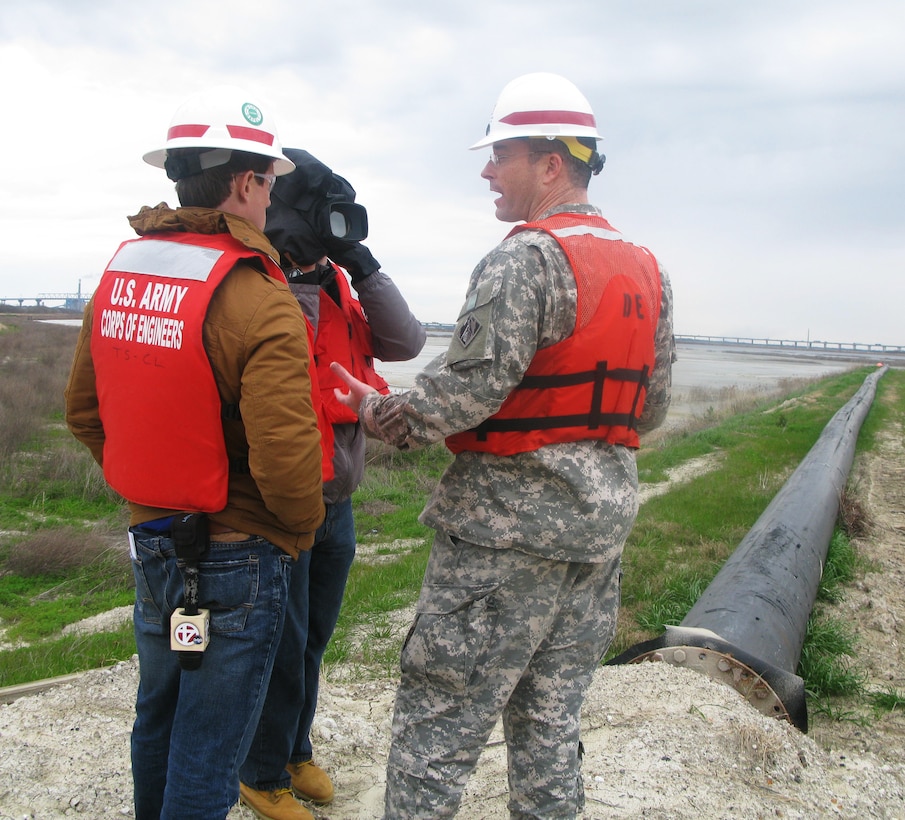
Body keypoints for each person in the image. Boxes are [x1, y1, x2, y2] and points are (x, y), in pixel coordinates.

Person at [332, 72, 676, 818]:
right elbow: (648, 410)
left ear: (551, 163)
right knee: (549, 722)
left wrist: (375, 410)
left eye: (500, 154)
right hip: (595, 542)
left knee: (438, 728)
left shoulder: (523, 260)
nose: (487, 170)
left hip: (499, 543)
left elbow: (455, 398)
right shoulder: (647, 269)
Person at [64, 86, 326, 820]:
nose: (272, 201)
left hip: (154, 542)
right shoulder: (259, 292)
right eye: (270, 183)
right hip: (240, 553)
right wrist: (297, 530)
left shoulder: (121, 272)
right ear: (245, 183)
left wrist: (149, 488)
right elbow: (284, 453)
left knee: (160, 715)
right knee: (211, 747)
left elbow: (83, 412)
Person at [238, 150, 426, 820]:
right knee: (278, 647)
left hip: (336, 501)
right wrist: (294, 269)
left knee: (311, 640)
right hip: (284, 502)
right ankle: (259, 772)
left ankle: (293, 749)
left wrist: (360, 266)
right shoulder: (262, 285)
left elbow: (404, 342)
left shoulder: (344, 287)